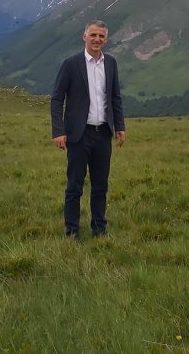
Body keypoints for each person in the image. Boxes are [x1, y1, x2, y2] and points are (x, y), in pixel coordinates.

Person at [50, 20, 126, 239]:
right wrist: (58, 130)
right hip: (78, 134)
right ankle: (72, 231)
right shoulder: (71, 64)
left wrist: (119, 126)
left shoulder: (111, 63)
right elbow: (57, 98)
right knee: (75, 186)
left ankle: (99, 230)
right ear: (84, 37)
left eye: (101, 36)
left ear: (106, 39)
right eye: (93, 35)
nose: (97, 40)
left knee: (100, 186)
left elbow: (115, 97)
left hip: (103, 133)